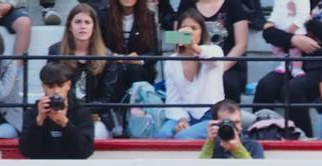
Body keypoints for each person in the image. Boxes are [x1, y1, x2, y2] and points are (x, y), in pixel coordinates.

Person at [252, 0, 322, 137]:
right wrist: (293, 40)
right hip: (290, 62)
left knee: (293, 88)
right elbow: (269, 33)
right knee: (265, 85)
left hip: (320, 64)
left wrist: (308, 21)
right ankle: (259, 136)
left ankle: (302, 141)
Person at [48, 3, 120, 140]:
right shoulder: (55, 52)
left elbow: (108, 98)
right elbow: (50, 88)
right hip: (63, 113)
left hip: (96, 117)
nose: (83, 26)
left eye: (87, 22)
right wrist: (78, 113)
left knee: (94, 133)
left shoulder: (106, 55)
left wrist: (86, 112)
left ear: (94, 28)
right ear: (70, 26)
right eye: (78, 22)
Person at [156, 8, 224, 139]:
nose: (189, 32)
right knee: (163, 134)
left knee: (183, 137)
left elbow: (212, 60)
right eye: (185, 28)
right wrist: (182, 119)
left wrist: (193, 47)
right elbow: (173, 99)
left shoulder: (214, 50)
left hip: (211, 115)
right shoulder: (171, 61)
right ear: (178, 32)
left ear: (202, 32)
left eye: (194, 28)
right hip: (185, 114)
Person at [18, 61, 96, 158]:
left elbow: (86, 151)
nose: (56, 91)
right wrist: (39, 121)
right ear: (43, 87)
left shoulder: (82, 112)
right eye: (50, 86)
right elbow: (26, 151)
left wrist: (66, 124)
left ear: (68, 85)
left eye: (60, 86)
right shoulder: (33, 112)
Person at [176, 0, 249, 102]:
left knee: (224, 82)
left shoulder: (234, 4)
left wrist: (218, 68)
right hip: (193, 63)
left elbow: (241, 45)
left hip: (229, 66)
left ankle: (227, 116)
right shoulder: (186, 3)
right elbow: (176, 37)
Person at [99, 0, 164, 95]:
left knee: (134, 69)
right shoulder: (103, 15)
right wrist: (112, 56)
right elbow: (98, 45)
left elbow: (154, 51)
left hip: (139, 70)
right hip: (112, 67)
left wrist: (139, 59)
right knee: (117, 70)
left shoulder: (148, 16)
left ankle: (136, 107)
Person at [199, 97, 265, 156]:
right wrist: (210, 143)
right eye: (227, 123)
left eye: (236, 122)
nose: (232, 127)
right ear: (215, 124)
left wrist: (238, 149)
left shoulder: (253, 146)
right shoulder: (211, 146)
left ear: (241, 123)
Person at [267, 0, 310, 76]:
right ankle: (284, 63)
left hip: (296, 29)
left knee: (295, 51)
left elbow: (303, 14)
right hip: (280, 29)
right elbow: (275, 12)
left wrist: (292, 28)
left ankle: (296, 68)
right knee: (276, 48)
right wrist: (271, 22)